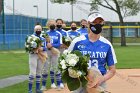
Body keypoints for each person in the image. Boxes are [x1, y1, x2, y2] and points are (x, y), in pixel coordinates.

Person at [68, 12, 117, 93]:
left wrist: (102, 79)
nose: (97, 24)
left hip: (99, 82)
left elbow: (112, 70)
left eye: (100, 22)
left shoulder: (107, 44)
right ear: (88, 24)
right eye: (94, 22)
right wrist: (75, 74)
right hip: (80, 82)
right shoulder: (77, 41)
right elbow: (66, 63)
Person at [41, 19, 63, 90]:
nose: (52, 25)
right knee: (45, 68)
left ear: (55, 24)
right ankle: (43, 85)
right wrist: (46, 46)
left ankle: (59, 85)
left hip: (55, 52)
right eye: (50, 24)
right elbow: (43, 44)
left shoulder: (58, 33)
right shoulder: (45, 33)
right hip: (47, 52)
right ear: (48, 25)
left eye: (53, 23)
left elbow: (59, 44)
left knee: (56, 68)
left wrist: (52, 45)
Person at [28, 24, 47, 93]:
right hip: (33, 55)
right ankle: (30, 90)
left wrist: (41, 48)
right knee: (32, 73)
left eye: (40, 29)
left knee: (39, 72)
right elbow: (28, 47)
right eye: (37, 29)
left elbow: (45, 47)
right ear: (34, 30)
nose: (38, 31)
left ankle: (37, 89)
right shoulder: (31, 37)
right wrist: (33, 49)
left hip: (41, 55)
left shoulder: (43, 38)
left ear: (41, 30)